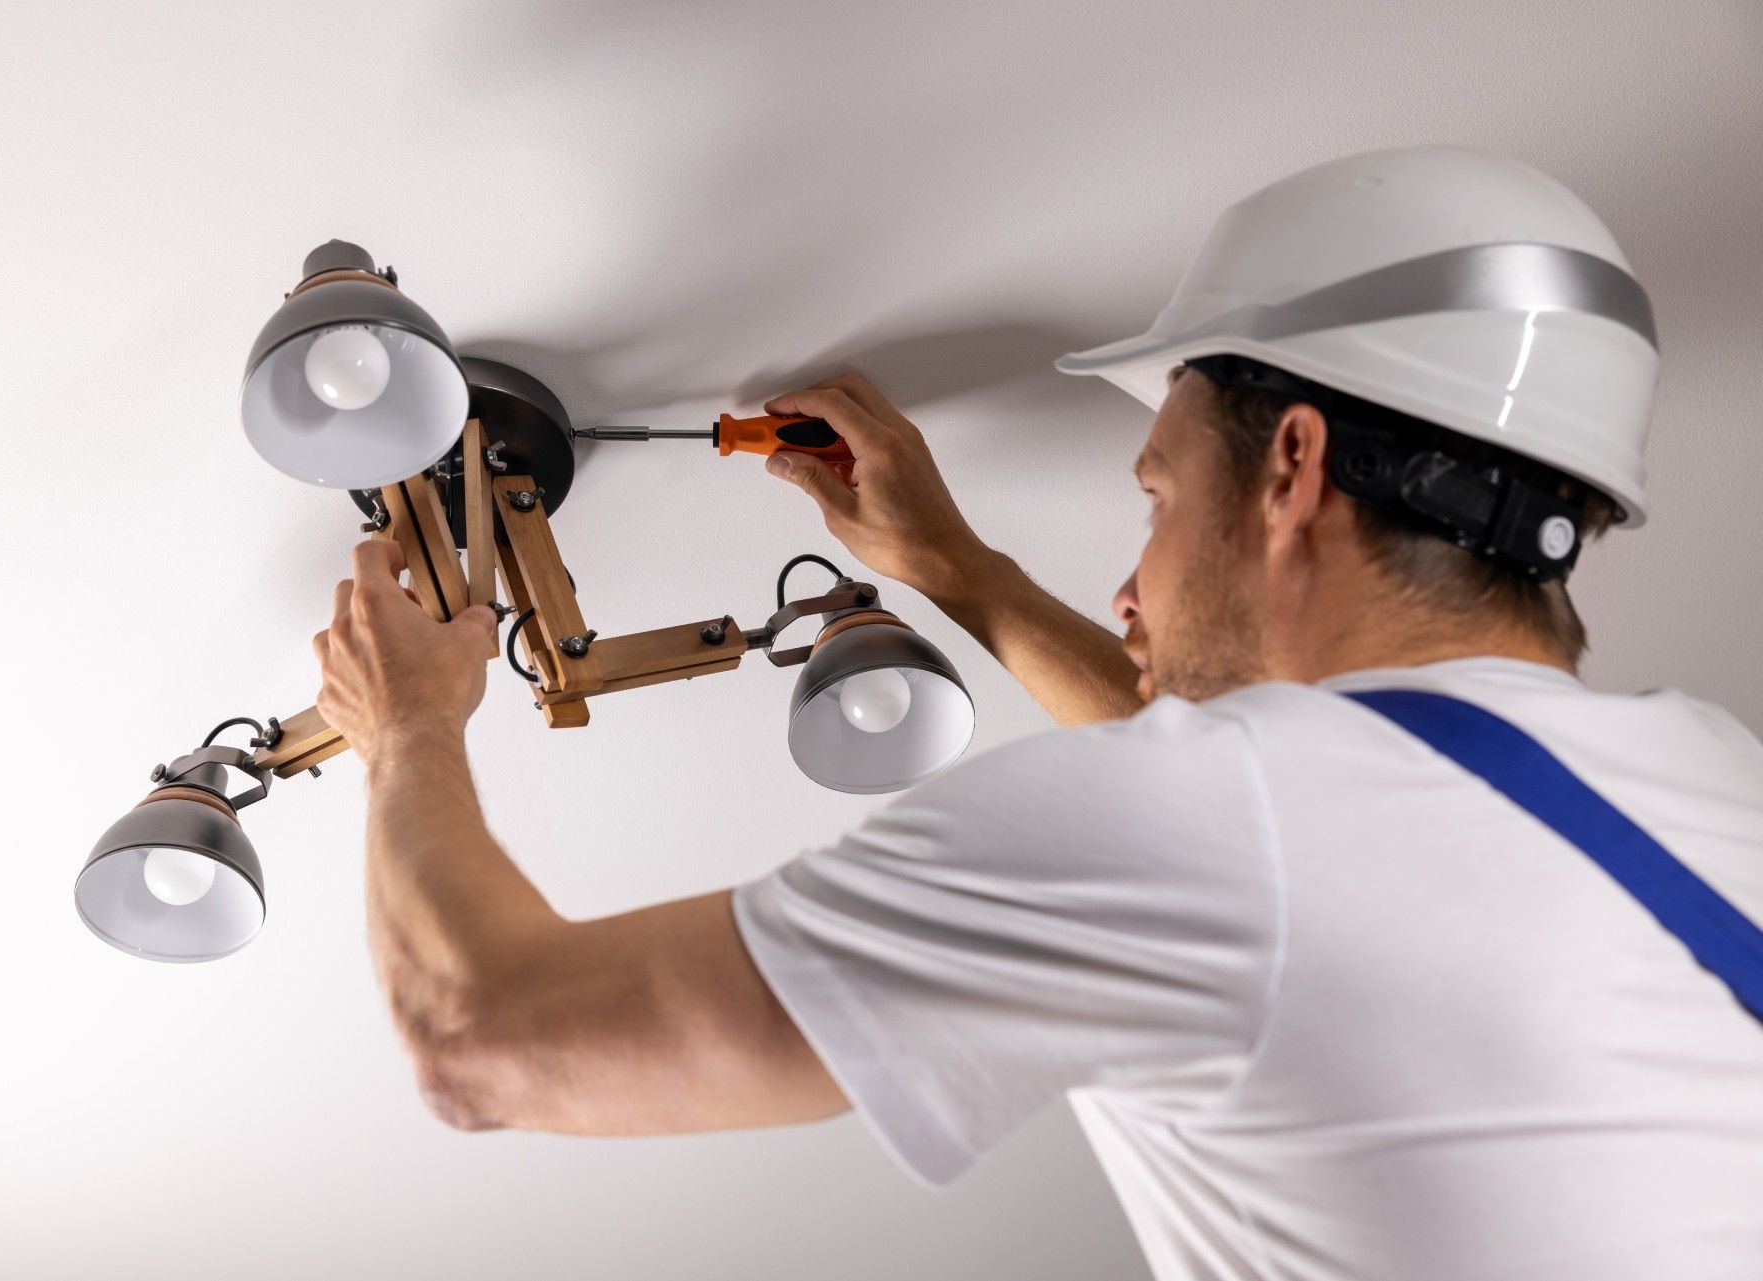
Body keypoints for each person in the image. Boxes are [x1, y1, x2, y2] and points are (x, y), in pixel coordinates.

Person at [310, 147, 1763, 1279]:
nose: (1130, 582)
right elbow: (1275, 816)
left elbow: (478, 1034)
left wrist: (412, 723)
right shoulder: (1713, 781)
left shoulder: (1222, 832)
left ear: (1291, 467)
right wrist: (956, 570)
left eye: (1154, 494)